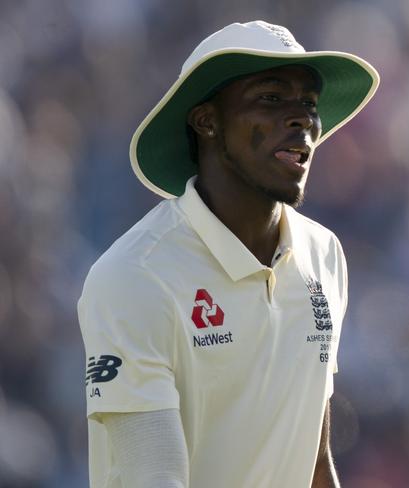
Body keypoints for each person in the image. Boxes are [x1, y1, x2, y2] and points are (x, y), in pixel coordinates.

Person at [78, 20, 379, 487]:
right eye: (272, 99)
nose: (303, 119)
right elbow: (154, 476)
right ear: (207, 121)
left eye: (309, 104)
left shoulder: (324, 254)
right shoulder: (134, 275)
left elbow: (314, 464)